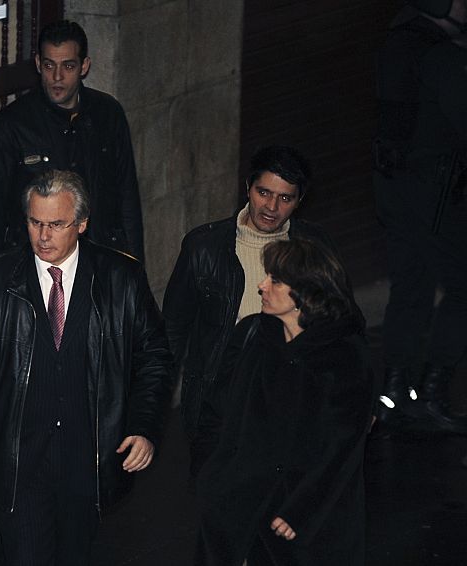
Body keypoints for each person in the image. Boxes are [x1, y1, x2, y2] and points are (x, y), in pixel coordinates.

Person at [0, 170, 171, 565]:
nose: (43, 236)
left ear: (82, 224)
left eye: (56, 224)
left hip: (89, 462)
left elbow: (154, 358)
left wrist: (144, 426)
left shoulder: (121, 278)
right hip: (18, 463)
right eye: (35, 222)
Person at [162, 145, 351, 477]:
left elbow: (343, 325)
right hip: (220, 399)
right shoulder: (204, 247)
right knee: (219, 500)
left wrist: (352, 396)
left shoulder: (315, 247)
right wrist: (148, 409)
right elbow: (172, 332)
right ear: (247, 187)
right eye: (264, 192)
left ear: (299, 200)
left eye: (285, 198)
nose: (271, 207)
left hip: (292, 399)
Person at [194, 239, 375, 566]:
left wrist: (301, 510)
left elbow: (342, 446)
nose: (262, 286)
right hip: (236, 504)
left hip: (302, 518)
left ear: (307, 293)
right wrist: (212, 480)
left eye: (276, 280)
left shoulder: (345, 355)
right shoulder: (253, 335)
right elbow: (217, 410)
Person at [0, 19, 145, 263]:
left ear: (84, 66)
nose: (58, 77)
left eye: (68, 66)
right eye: (49, 65)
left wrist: (134, 266)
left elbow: (127, 196)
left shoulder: (108, 114)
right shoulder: (10, 126)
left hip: (99, 257)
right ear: (38, 64)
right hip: (35, 263)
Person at [373, 0, 467, 431]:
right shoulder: (440, 56)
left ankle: (395, 389)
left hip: (395, 190)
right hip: (434, 193)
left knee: (411, 285)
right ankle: (431, 390)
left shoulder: (396, 43)